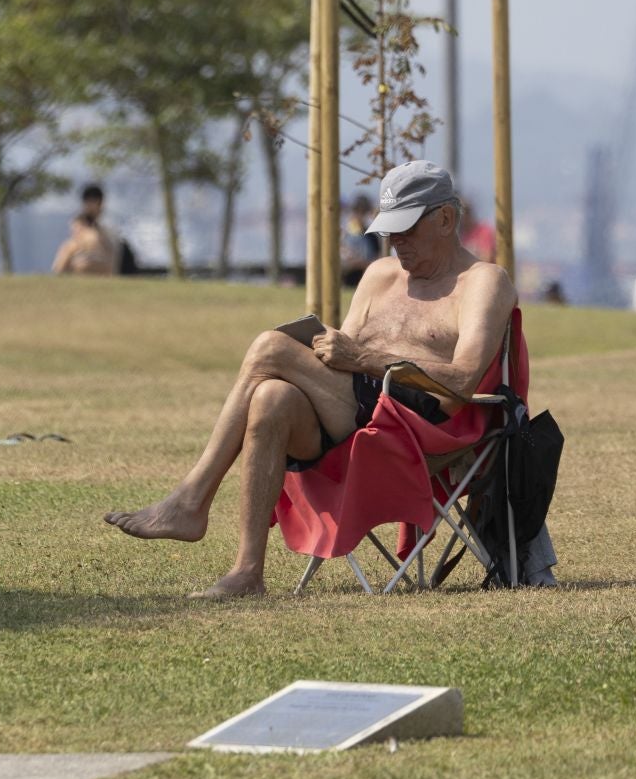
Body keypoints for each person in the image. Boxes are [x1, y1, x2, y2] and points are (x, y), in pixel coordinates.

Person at [105, 159, 516, 598]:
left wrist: (363, 356)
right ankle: (247, 572)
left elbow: (462, 381)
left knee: (270, 346)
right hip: (357, 409)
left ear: (446, 219)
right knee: (271, 398)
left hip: (419, 423)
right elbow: (347, 358)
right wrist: (335, 349)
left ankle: (191, 500)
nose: (396, 242)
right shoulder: (379, 276)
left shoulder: (483, 282)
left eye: (407, 228)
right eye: (390, 230)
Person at [52, 183, 120, 276]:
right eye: (89, 201)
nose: (92, 206)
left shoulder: (105, 232)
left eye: (95, 201)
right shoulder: (79, 227)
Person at [340, 194, 382, 287]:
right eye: (356, 210)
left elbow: (377, 260)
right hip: (346, 282)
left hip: (366, 282)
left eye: (363, 211)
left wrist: (362, 263)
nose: (359, 215)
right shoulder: (343, 234)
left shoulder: (372, 236)